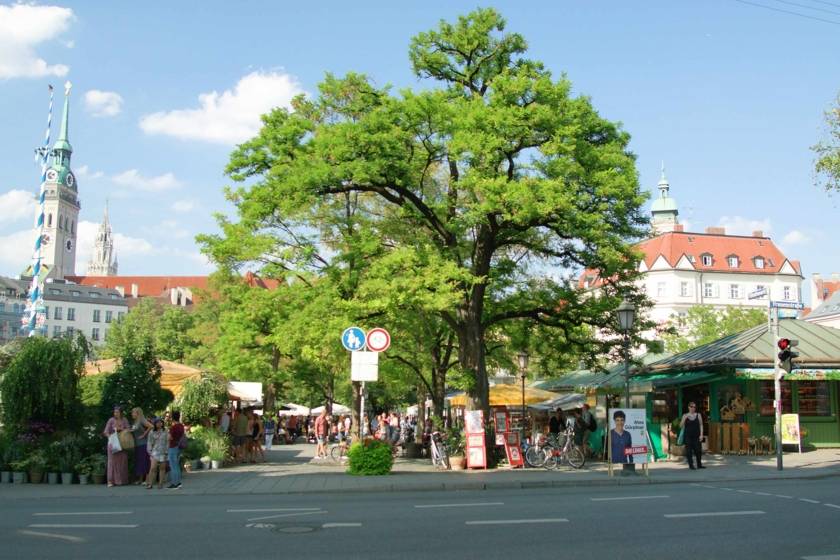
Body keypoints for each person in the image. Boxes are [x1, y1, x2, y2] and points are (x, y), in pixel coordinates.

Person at [103, 406, 130, 487]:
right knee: (112, 462)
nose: (116, 413)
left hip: (122, 442)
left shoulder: (124, 420)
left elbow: (128, 429)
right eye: (115, 412)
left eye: (117, 412)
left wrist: (123, 430)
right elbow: (106, 431)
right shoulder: (111, 420)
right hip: (113, 442)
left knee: (122, 461)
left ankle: (121, 480)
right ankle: (110, 481)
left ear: (121, 413)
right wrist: (110, 437)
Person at [130, 407, 152, 485]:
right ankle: (140, 479)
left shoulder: (142, 420)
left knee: (144, 461)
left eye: (133, 413)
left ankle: (147, 479)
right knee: (139, 461)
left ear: (138, 413)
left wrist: (143, 435)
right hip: (137, 444)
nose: (132, 414)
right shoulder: (135, 422)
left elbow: (151, 426)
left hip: (143, 444)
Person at [680, 402, 705, 470]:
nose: (693, 408)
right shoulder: (685, 415)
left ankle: (699, 464)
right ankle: (691, 465)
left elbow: (701, 425)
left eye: (694, 407)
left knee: (698, 450)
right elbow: (681, 426)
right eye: (692, 406)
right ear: (688, 407)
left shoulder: (698, 415)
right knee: (689, 451)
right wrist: (685, 418)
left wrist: (701, 435)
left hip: (696, 436)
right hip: (688, 436)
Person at [146, 417, 168, 489]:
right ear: (155, 424)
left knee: (162, 468)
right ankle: (150, 484)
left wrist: (167, 452)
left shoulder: (165, 431)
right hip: (155, 452)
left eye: (160, 422)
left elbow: (168, 442)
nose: (159, 424)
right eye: (157, 422)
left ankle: (160, 484)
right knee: (153, 468)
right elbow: (149, 442)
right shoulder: (152, 432)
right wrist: (150, 451)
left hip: (163, 451)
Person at [167, 410, 184, 489]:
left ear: (172, 418)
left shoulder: (173, 427)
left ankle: (174, 483)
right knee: (176, 465)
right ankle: (178, 482)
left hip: (172, 446)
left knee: (173, 465)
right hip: (178, 446)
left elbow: (170, 438)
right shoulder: (181, 426)